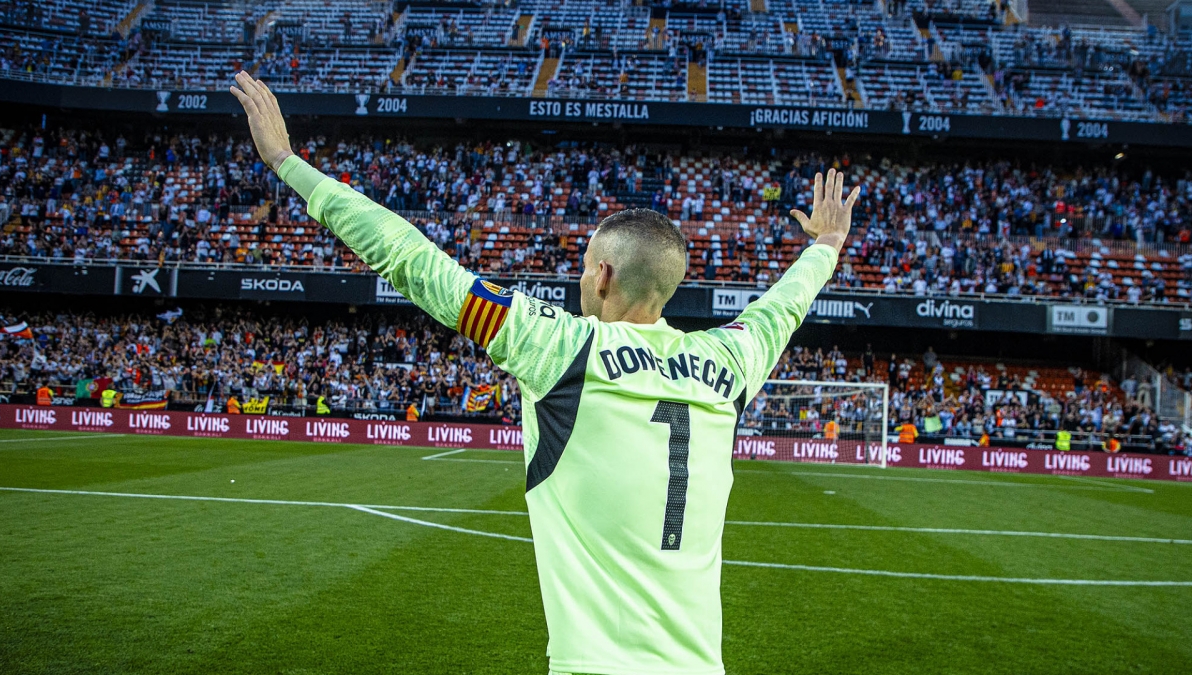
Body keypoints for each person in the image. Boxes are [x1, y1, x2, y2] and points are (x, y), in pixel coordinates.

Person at [231, 71, 858, 675]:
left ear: (605, 275)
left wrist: (288, 162)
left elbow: (412, 260)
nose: (582, 276)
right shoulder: (731, 361)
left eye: (587, 265)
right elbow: (783, 306)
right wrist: (825, 245)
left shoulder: (558, 348)